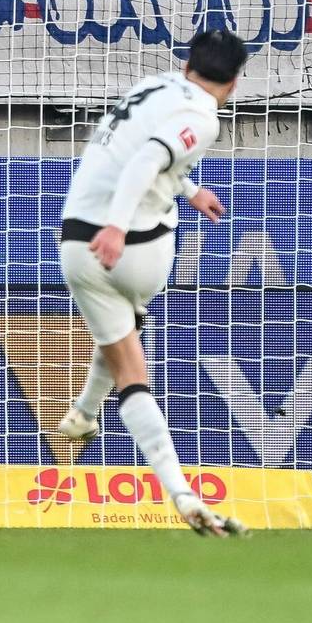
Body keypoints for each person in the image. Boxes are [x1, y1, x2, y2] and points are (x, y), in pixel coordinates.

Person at [57, 30, 249, 537]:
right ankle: (174, 485)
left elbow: (133, 150)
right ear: (233, 80)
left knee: (124, 354)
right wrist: (118, 227)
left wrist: (188, 188)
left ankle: (86, 416)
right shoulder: (204, 115)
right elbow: (145, 163)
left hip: (75, 245)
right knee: (134, 349)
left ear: (187, 64)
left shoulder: (152, 87)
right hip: (131, 248)